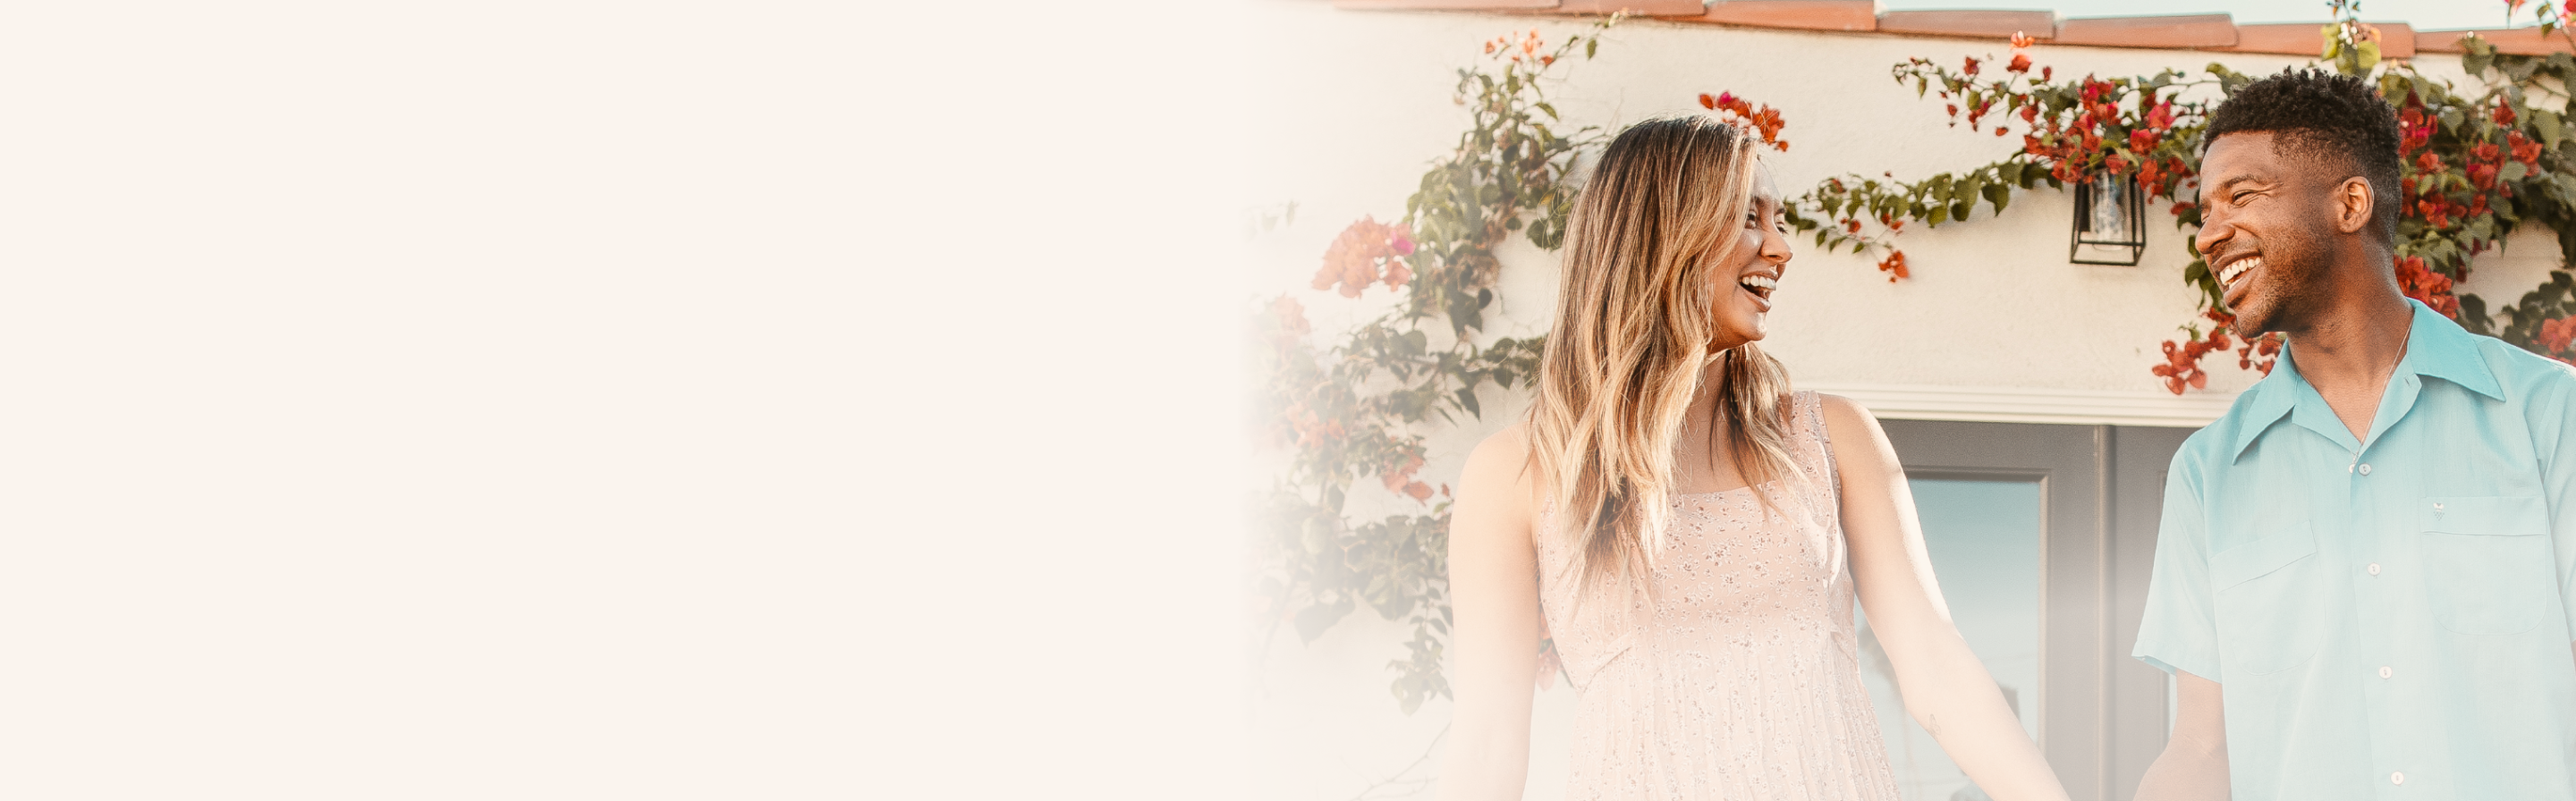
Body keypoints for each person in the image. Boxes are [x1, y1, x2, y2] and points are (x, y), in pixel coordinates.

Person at [1435, 115, 2071, 801]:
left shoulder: (1832, 437)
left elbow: (1937, 667)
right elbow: (1488, 746)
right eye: (1748, 217)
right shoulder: (1515, 473)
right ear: (1659, 234)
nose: (1782, 247)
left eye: (1780, 220)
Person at [2130, 69, 2576, 800]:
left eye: (2242, 196)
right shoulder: (2208, 474)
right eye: (2205, 210)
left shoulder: (2550, 415)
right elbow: (2202, 748)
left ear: (2350, 204)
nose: (2208, 235)